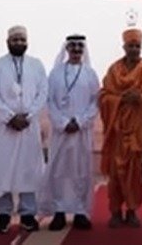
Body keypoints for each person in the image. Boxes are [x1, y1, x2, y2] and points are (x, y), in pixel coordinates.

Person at [0, 25, 48, 234]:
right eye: (15, 40)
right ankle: (3, 215)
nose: (18, 43)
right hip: (5, 128)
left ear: (27, 42)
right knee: (3, 170)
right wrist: (10, 117)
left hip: (29, 127)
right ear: (7, 41)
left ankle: (28, 214)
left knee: (30, 169)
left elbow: (43, 93)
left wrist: (28, 116)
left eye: (22, 39)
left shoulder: (37, 65)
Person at [99, 28, 142, 228]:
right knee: (115, 173)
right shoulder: (114, 70)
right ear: (124, 47)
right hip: (117, 131)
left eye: (138, 46)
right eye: (131, 46)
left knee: (134, 174)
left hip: (137, 132)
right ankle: (116, 212)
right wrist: (120, 99)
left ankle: (133, 211)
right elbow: (103, 96)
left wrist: (141, 98)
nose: (134, 49)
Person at [41, 34, 99, 232]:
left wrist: (80, 121)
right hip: (61, 131)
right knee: (59, 171)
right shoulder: (55, 73)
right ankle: (58, 211)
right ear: (66, 49)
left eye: (79, 46)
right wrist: (64, 122)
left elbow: (95, 102)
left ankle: (80, 212)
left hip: (82, 132)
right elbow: (49, 101)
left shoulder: (90, 74)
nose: (75, 50)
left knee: (82, 171)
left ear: (83, 49)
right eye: (72, 46)